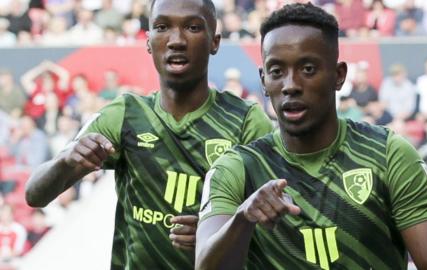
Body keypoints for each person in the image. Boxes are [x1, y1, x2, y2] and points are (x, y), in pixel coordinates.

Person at [196, 3, 427, 270]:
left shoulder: (388, 154)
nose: (290, 85)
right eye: (277, 72)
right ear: (264, 81)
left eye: (308, 69)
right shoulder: (236, 168)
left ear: (339, 76)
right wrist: (244, 219)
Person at [25, 0, 272, 269]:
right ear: (148, 41)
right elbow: (35, 195)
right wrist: (65, 162)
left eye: (192, 27)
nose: (176, 40)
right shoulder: (125, 113)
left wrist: (222, 232)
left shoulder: (245, 119)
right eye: (162, 27)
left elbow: (283, 220)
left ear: (214, 42)